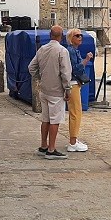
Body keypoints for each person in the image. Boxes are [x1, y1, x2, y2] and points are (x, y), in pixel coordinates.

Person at [28, 25, 72, 160]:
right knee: (55, 120)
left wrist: (40, 77)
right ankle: (51, 149)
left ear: (50, 34)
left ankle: (43, 145)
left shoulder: (42, 49)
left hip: (44, 89)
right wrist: (67, 88)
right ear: (61, 36)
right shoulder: (62, 51)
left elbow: (31, 67)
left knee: (45, 119)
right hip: (56, 90)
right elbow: (65, 72)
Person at [65, 29, 93, 152]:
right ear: (71, 38)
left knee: (76, 112)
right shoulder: (71, 51)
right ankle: (72, 142)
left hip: (75, 83)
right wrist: (86, 60)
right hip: (73, 83)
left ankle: (74, 139)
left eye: (81, 35)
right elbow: (75, 69)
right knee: (76, 112)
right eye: (77, 36)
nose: (80, 37)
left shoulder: (74, 50)